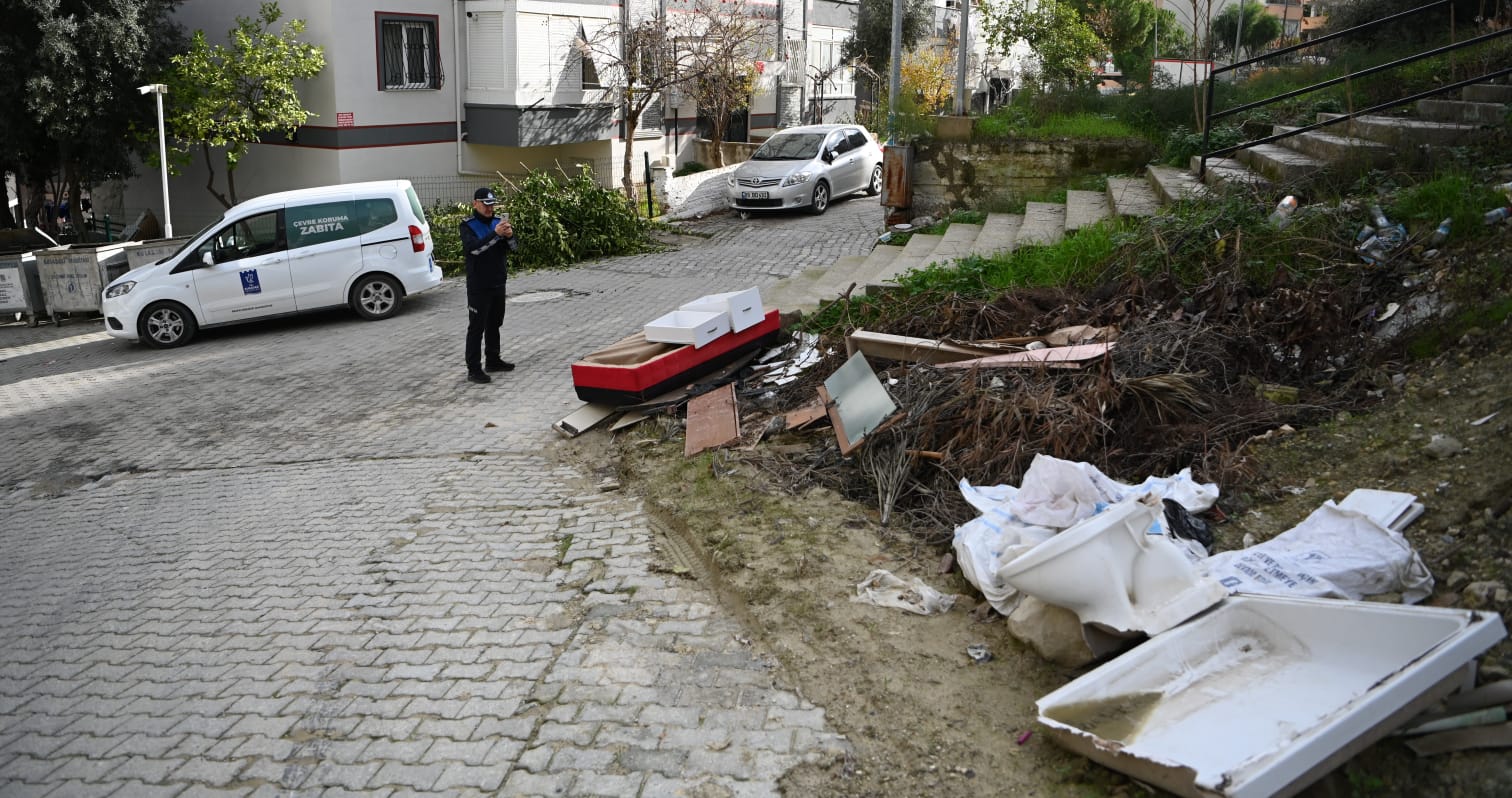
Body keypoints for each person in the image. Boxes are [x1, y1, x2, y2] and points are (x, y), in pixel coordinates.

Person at [459, 187, 518, 384]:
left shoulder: (498, 223)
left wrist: (509, 236)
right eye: (485, 204)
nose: (489, 208)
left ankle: (493, 360)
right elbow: (474, 250)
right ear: (475, 203)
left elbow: (515, 249)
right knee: (477, 327)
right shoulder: (468, 225)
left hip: (498, 282)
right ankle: (473, 369)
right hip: (478, 285)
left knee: (495, 323)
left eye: (492, 204)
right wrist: (495, 234)